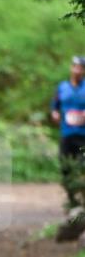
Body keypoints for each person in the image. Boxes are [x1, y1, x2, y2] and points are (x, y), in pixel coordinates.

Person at [50, 55, 85, 209]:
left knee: (82, 167)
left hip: (83, 135)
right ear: (71, 68)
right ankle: (72, 200)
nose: (77, 70)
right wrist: (55, 114)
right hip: (66, 133)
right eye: (75, 67)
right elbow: (54, 106)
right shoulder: (62, 87)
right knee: (66, 169)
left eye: (81, 68)